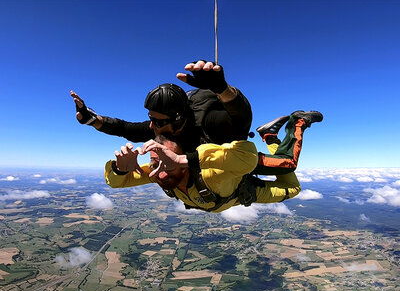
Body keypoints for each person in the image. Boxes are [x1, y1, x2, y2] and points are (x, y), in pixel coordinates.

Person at [104, 111, 321, 213]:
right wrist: (120, 169)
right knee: (290, 182)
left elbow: (247, 156)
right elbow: (115, 182)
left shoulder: (211, 171)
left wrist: (184, 159)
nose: (160, 171)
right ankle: (270, 136)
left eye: (167, 160)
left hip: (237, 172)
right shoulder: (158, 173)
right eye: (154, 162)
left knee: (289, 169)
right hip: (237, 196)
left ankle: (298, 121)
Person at [71, 60, 252, 153]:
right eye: (151, 119)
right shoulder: (160, 127)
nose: (151, 125)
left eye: (157, 121)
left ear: (179, 119)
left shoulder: (208, 121)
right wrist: (91, 119)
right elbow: (125, 128)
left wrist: (223, 89)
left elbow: (242, 119)